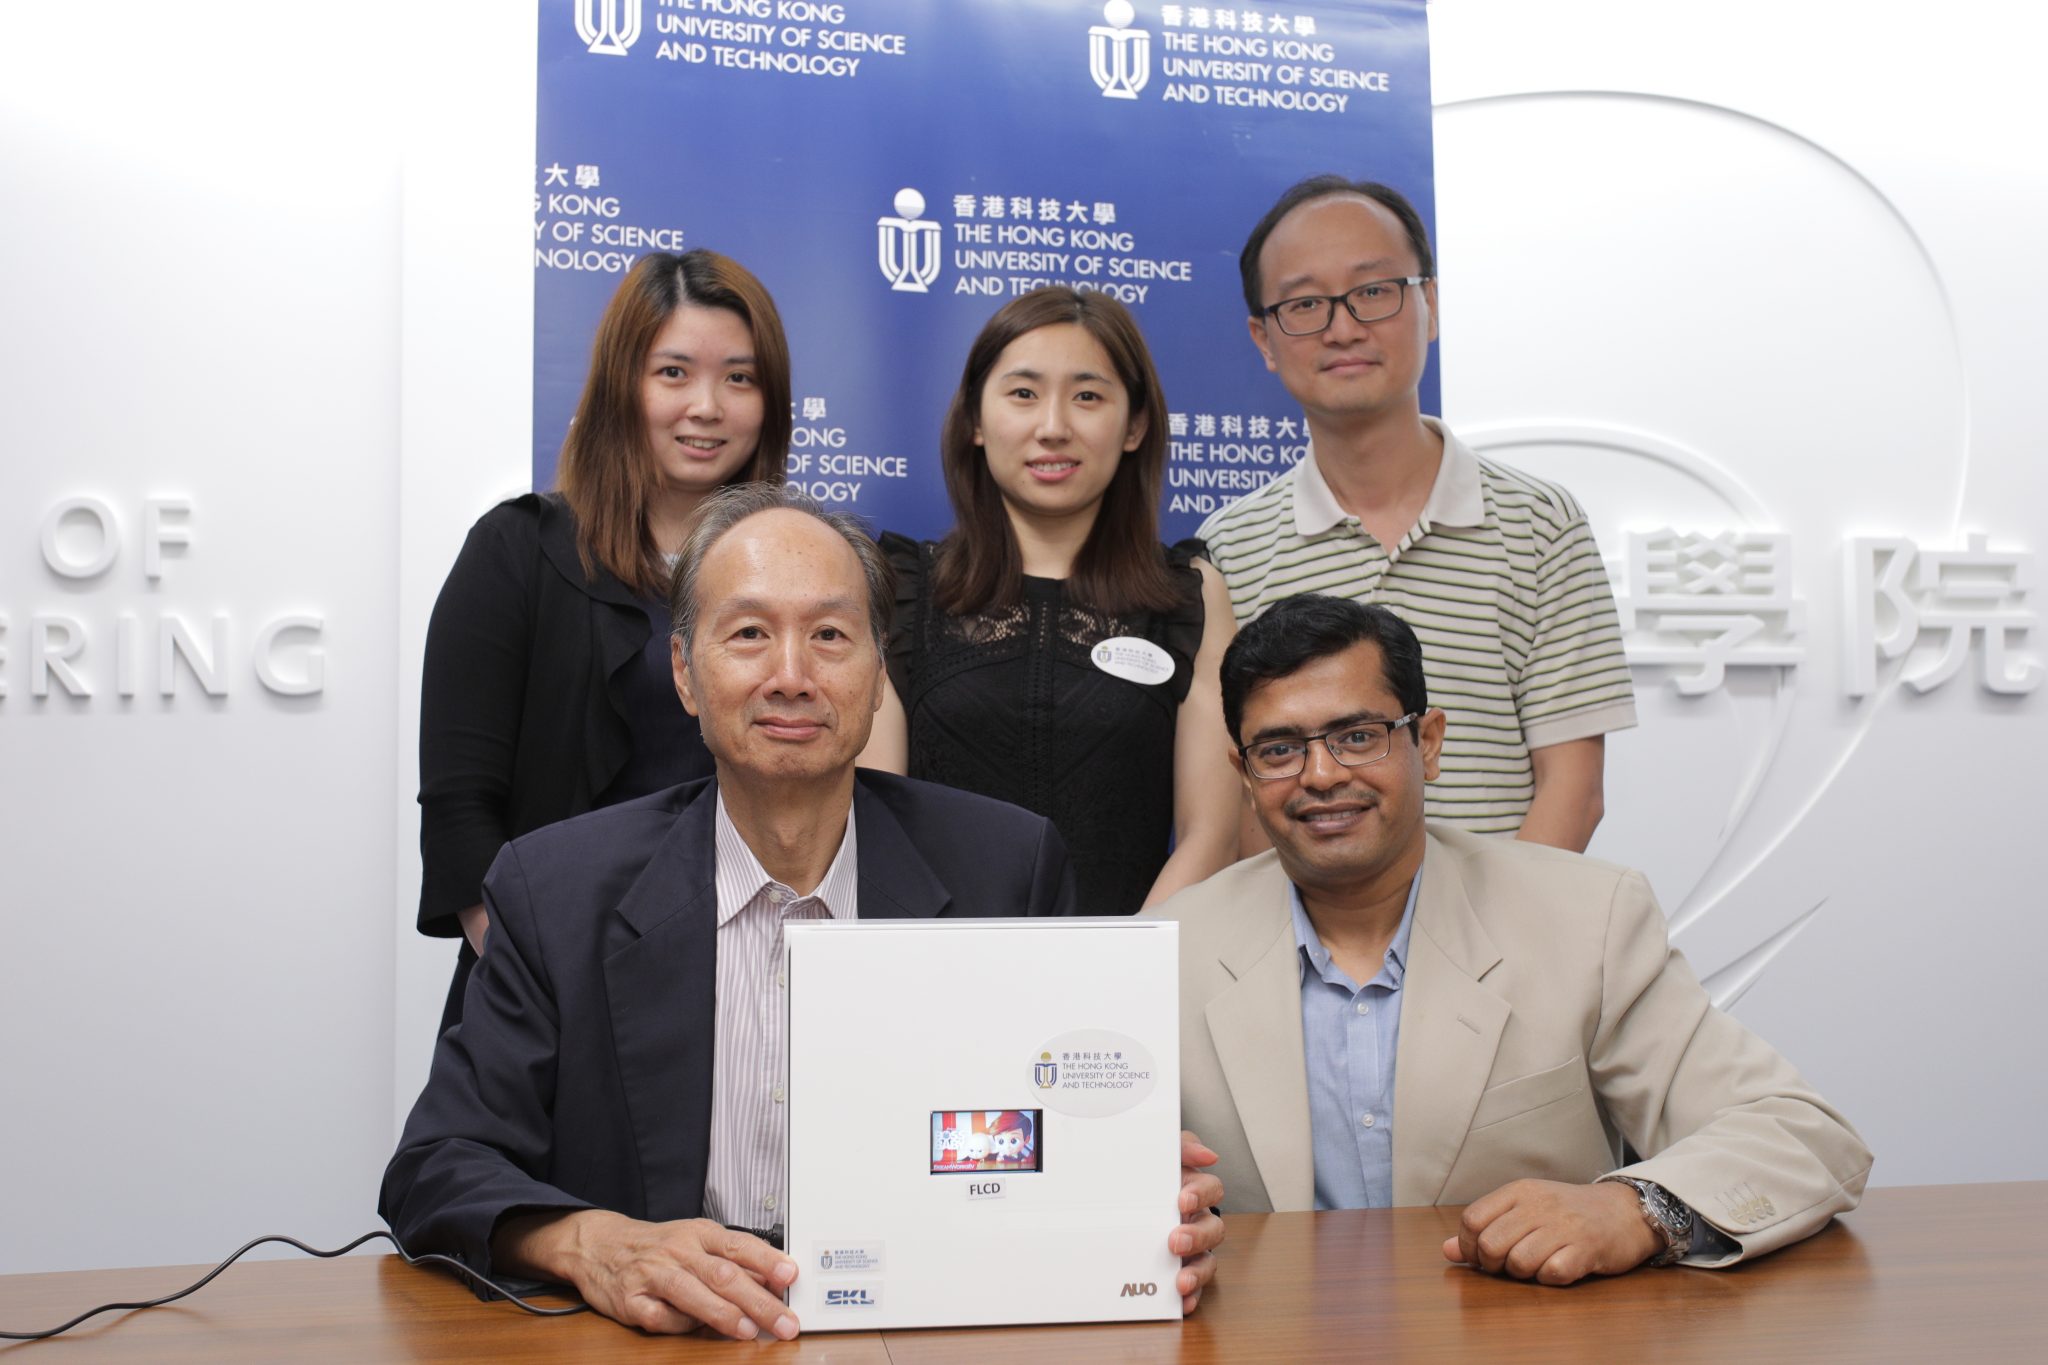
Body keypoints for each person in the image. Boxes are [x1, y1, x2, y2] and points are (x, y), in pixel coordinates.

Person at [383, 485, 1225, 1338]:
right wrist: (593, 1242)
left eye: (830, 635)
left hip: (917, 1333)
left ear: (878, 671)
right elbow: (436, 1167)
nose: (791, 676)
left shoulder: (1005, 866)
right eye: (748, 633)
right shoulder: (557, 887)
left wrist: (1138, 1204)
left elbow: (1051, 1136)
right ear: (683, 672)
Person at [1150, 594, 1869, 1282]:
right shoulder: (1169, 948)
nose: (1321, 774)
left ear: (1426, 743)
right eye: (1279, 749)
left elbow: (1801, 1135)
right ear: (1243, 774)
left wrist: (1635, 1209)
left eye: (1358, 736)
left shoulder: (1585, 918)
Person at [1198, 176, 1635, 851]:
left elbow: (1573, 789)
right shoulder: (1228, 549)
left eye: (1374, 291)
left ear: (1428, 302)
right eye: (1305, 303)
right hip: (1301, 950)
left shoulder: (1541, 525)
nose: (1343, 327)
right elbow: (1243, 801)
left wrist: (1477, 948)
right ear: (1264, 337)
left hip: (1503, 945)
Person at [415, 249, 790, 1025]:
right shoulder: (518, 550)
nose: (708, 406)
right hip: (547, 992)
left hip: (748, 988)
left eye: (740, 378)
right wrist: (549, 984)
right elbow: (460, 814)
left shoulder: (800, 572)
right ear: (624, 383)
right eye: (674, 372)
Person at [862, 287, 1240, 914]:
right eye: (1023, 393)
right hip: (934, 973)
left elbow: (1212, 836)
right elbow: (876, 816)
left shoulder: (1189, 596)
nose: (1054, 427)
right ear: (977, 421)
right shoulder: (901, 585)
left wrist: (1117, 969)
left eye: (1088, 396)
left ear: (1135, 425)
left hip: (1128, 982)